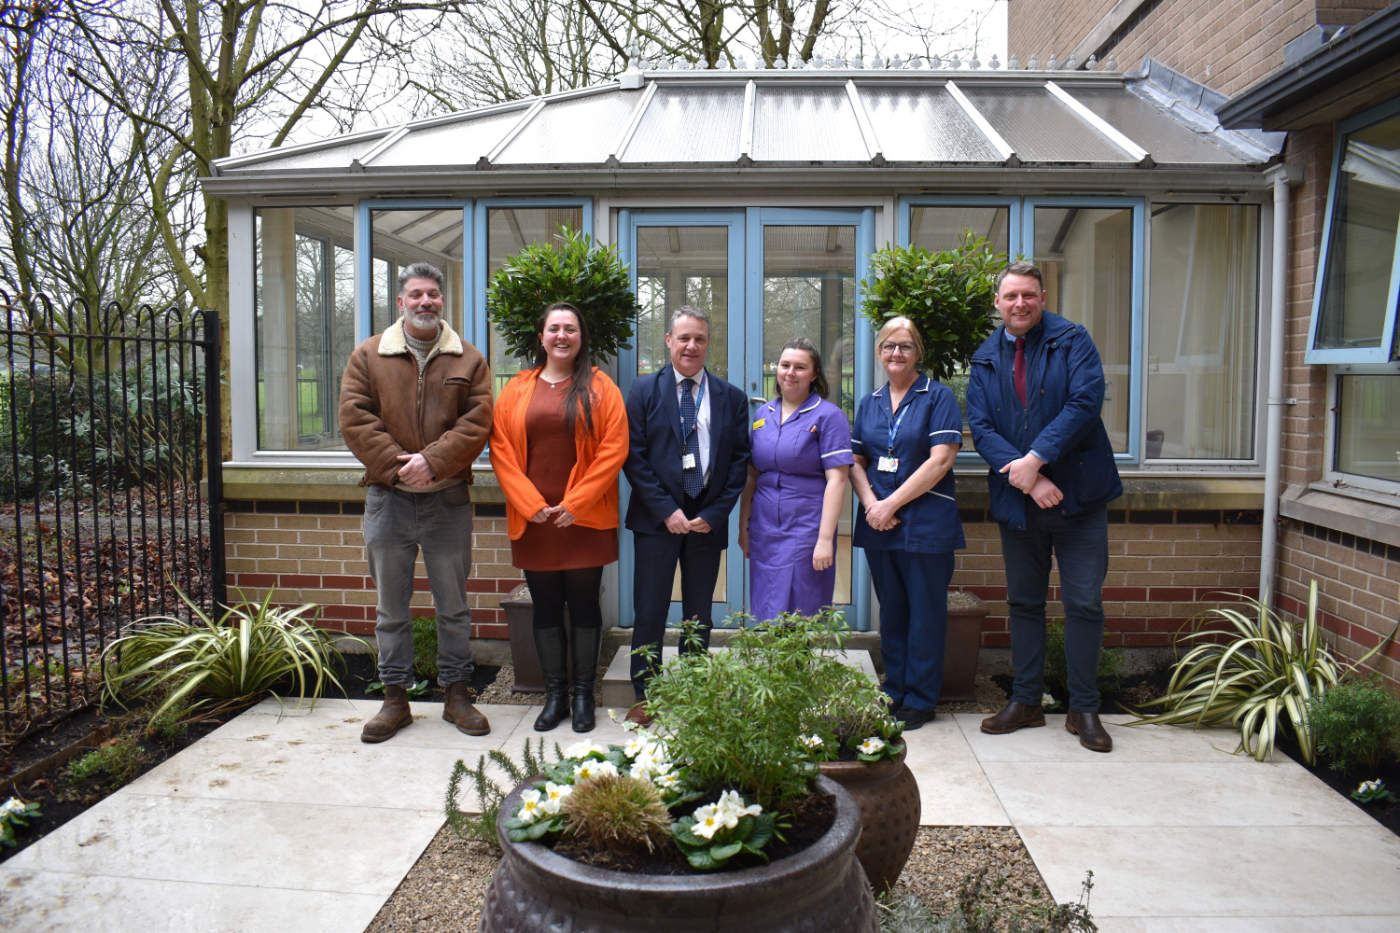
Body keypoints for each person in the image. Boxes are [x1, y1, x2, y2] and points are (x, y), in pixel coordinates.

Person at [967, 261, 1123, 753]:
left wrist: (1035, 459)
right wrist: (1028, 479)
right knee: (1025, 604)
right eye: (1010, 296)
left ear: (1043, 296)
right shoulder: (985, 358)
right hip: (1021, 502)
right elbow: (982, 426)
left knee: (1083, 603)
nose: (1019, 304)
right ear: (998, 303)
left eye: (1028, 296)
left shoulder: (1073, 341)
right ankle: (1027, 702)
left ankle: (1083, 708)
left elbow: (1084, 403)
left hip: (1079, 499)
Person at [339, 262, 493, 743]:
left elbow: (478, 421)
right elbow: (354, 416)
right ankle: (394, 699)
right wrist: (398, 466)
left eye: (433, 295)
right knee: (391, 609)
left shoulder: (468, 359)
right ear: (401, 301)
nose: (426, 302)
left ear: (442, 301)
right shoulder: (368, 356)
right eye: (416, 294)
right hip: (389, 501)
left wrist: (432, 462)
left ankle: (457, 694)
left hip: (447, 500)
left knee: (453, 606)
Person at [490, 302, 628, 734]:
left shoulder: (602, 387)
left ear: (581, 337)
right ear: (542, 337)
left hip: (583, 520)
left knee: (585, 605)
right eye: (555, 329)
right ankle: (555, 697)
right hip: (535, 521)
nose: (562, 336)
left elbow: (614, 449)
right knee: (546, 606)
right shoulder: (516, 388)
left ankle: (584, 696)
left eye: (570, 329)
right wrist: (531, 504)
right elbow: (501, 450)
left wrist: (576, 503)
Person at [623, 306, 751, 725]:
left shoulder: (730, 397)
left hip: (705, 523)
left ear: (707, 342)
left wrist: (715, 513)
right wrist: (667, 511)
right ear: (668, 342)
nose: (691, 346)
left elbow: (738, 463)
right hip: (657, 521)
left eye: (699, 338)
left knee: (699, 612)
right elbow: (634, 458)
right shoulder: (642, 391)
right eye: (683, 338)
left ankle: (694, 690)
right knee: (650, 608)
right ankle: (647, 692)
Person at [850, 317, 964, 730]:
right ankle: (894, 689)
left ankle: (920, 698)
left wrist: (890, 503)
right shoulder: (870, 402)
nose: (896, 353)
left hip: (926, 524)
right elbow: (855, 461)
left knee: (925, 613)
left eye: (905, 346)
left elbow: (941, 460)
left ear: (918, 352)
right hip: (880, 524)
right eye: (888, 346)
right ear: (879, 352)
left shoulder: (938, 397)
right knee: (893, 611)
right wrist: (871, 505)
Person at [739, 338, 852, 622]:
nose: (790, 372)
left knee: (802, 607)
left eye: (800, 367)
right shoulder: (763, 415)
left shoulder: (829, 416)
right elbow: (752, 476)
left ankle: (797, 667)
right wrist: (744, 527)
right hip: (765, 527)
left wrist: (825, 539)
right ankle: (774, 666)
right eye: (785, 365)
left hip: (805, 527)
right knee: (768, 606)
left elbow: (838, 480)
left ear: (814, 375)